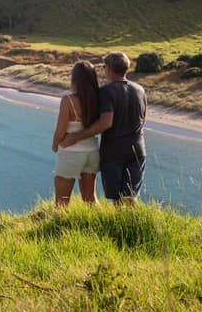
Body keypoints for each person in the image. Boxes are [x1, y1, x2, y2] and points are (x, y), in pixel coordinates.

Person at [60, 51, 147, 206]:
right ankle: (130, 227)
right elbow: (142, 119)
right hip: (138, 148)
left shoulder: (107, 91)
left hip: (114, 150)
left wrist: (76, 136)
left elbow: (105, 123)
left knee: (118, 199)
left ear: (109, 69)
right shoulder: (140, 90)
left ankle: (119, 228)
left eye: (104, 66)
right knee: (130, 196)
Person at [51, 61, 100, 207]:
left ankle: (58, 229)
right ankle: (100, 226)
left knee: (61, 203)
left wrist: (55, 146)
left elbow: (60, 131)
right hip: (92, 152)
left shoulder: (68, 101)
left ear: (75, 79)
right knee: (90, 199)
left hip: (71, 153)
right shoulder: (99, 98)